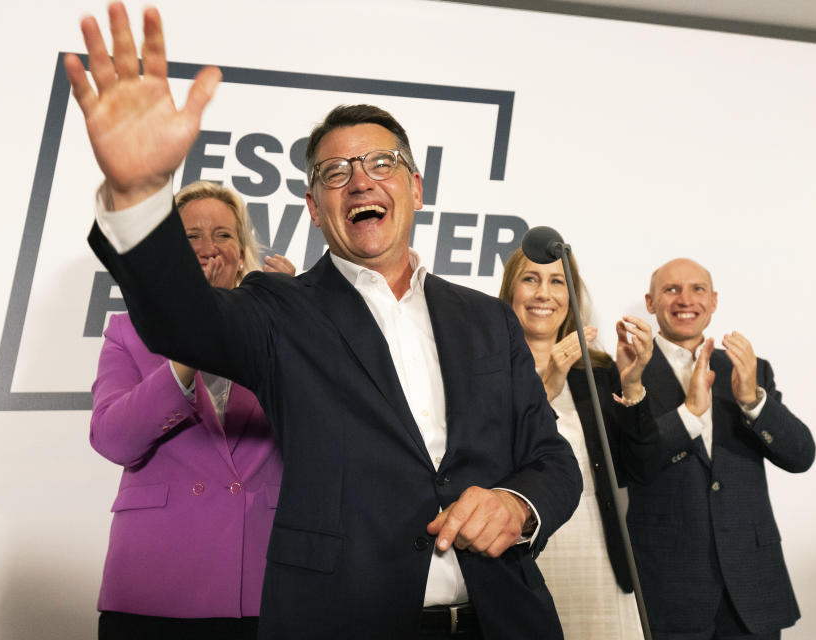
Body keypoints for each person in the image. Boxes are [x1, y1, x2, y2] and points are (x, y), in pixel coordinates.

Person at [67, 4, 582, 639]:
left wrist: (518, 504)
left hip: (501, 620)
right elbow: (182, 321)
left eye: (381, 164)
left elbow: (553, 459)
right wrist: (139, 196)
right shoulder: (280, 309)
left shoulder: (487, 320)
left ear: (416, 188)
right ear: (314, 207)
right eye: (335, 173)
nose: (360, 181)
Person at [90, 180, 292, 640]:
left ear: (243, 253)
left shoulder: (278, 331)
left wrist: (294, 317)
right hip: (154, 583)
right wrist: (188, 345)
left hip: (261, 584)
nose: (208, 248)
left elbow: (320, 431)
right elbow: (113, 439)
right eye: (191, 236)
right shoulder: (126, 332)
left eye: (223, 235)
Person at [624, 257, 815, 640]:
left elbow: (801, 456)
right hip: (668, 585)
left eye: (697, 289)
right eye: (671, 289)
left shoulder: (750, 369)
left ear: (713, 301)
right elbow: (627, 462)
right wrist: (687, 415)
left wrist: (753, 402)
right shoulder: (628, 370)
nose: (685, 299)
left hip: (751, 582)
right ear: (650, 302)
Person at [499, 247, 657, 639]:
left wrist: (632, 382)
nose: (543, 294)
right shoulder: (486, 370)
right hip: (522, 557)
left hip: (599, 557)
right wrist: (548, 382)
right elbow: (491, 460)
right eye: (530, 279)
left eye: (557, 281)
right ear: (510, 290)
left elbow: (642, 469)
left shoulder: (599, 372)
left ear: (571, 295)